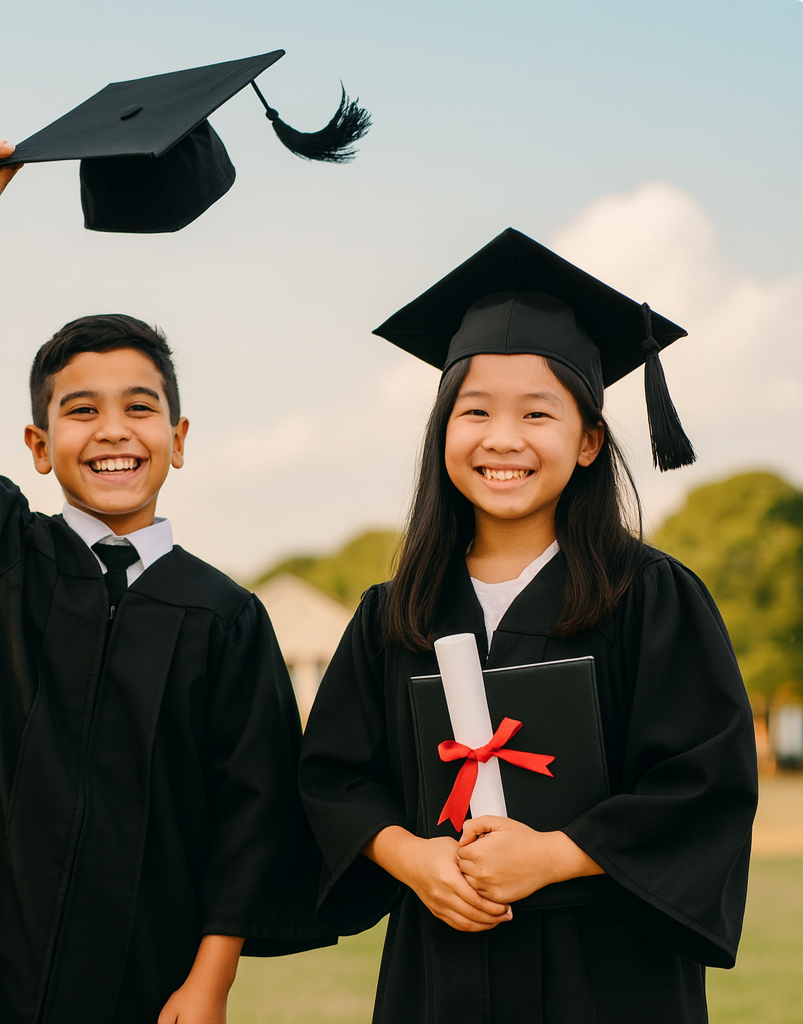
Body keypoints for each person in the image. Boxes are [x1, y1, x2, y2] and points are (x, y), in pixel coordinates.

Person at [0, 142, 329, 1024]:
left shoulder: (227, 618)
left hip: (147, 988)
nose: (113, 430)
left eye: (139, 406)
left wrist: (210, 985)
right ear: (39, 446)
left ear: (180, 436)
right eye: (80, 410)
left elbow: (252, 819)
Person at [298, 228, 758, 1023]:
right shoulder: (393, 613)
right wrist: (411, 859)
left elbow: (704, 785)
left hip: (609, 982)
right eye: (474, 411)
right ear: (443, 431)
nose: (502, 438)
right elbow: (333, 778)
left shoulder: (650, 598)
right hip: (437, 978)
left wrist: (552, 855)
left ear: (588, 442)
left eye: (537, 413)